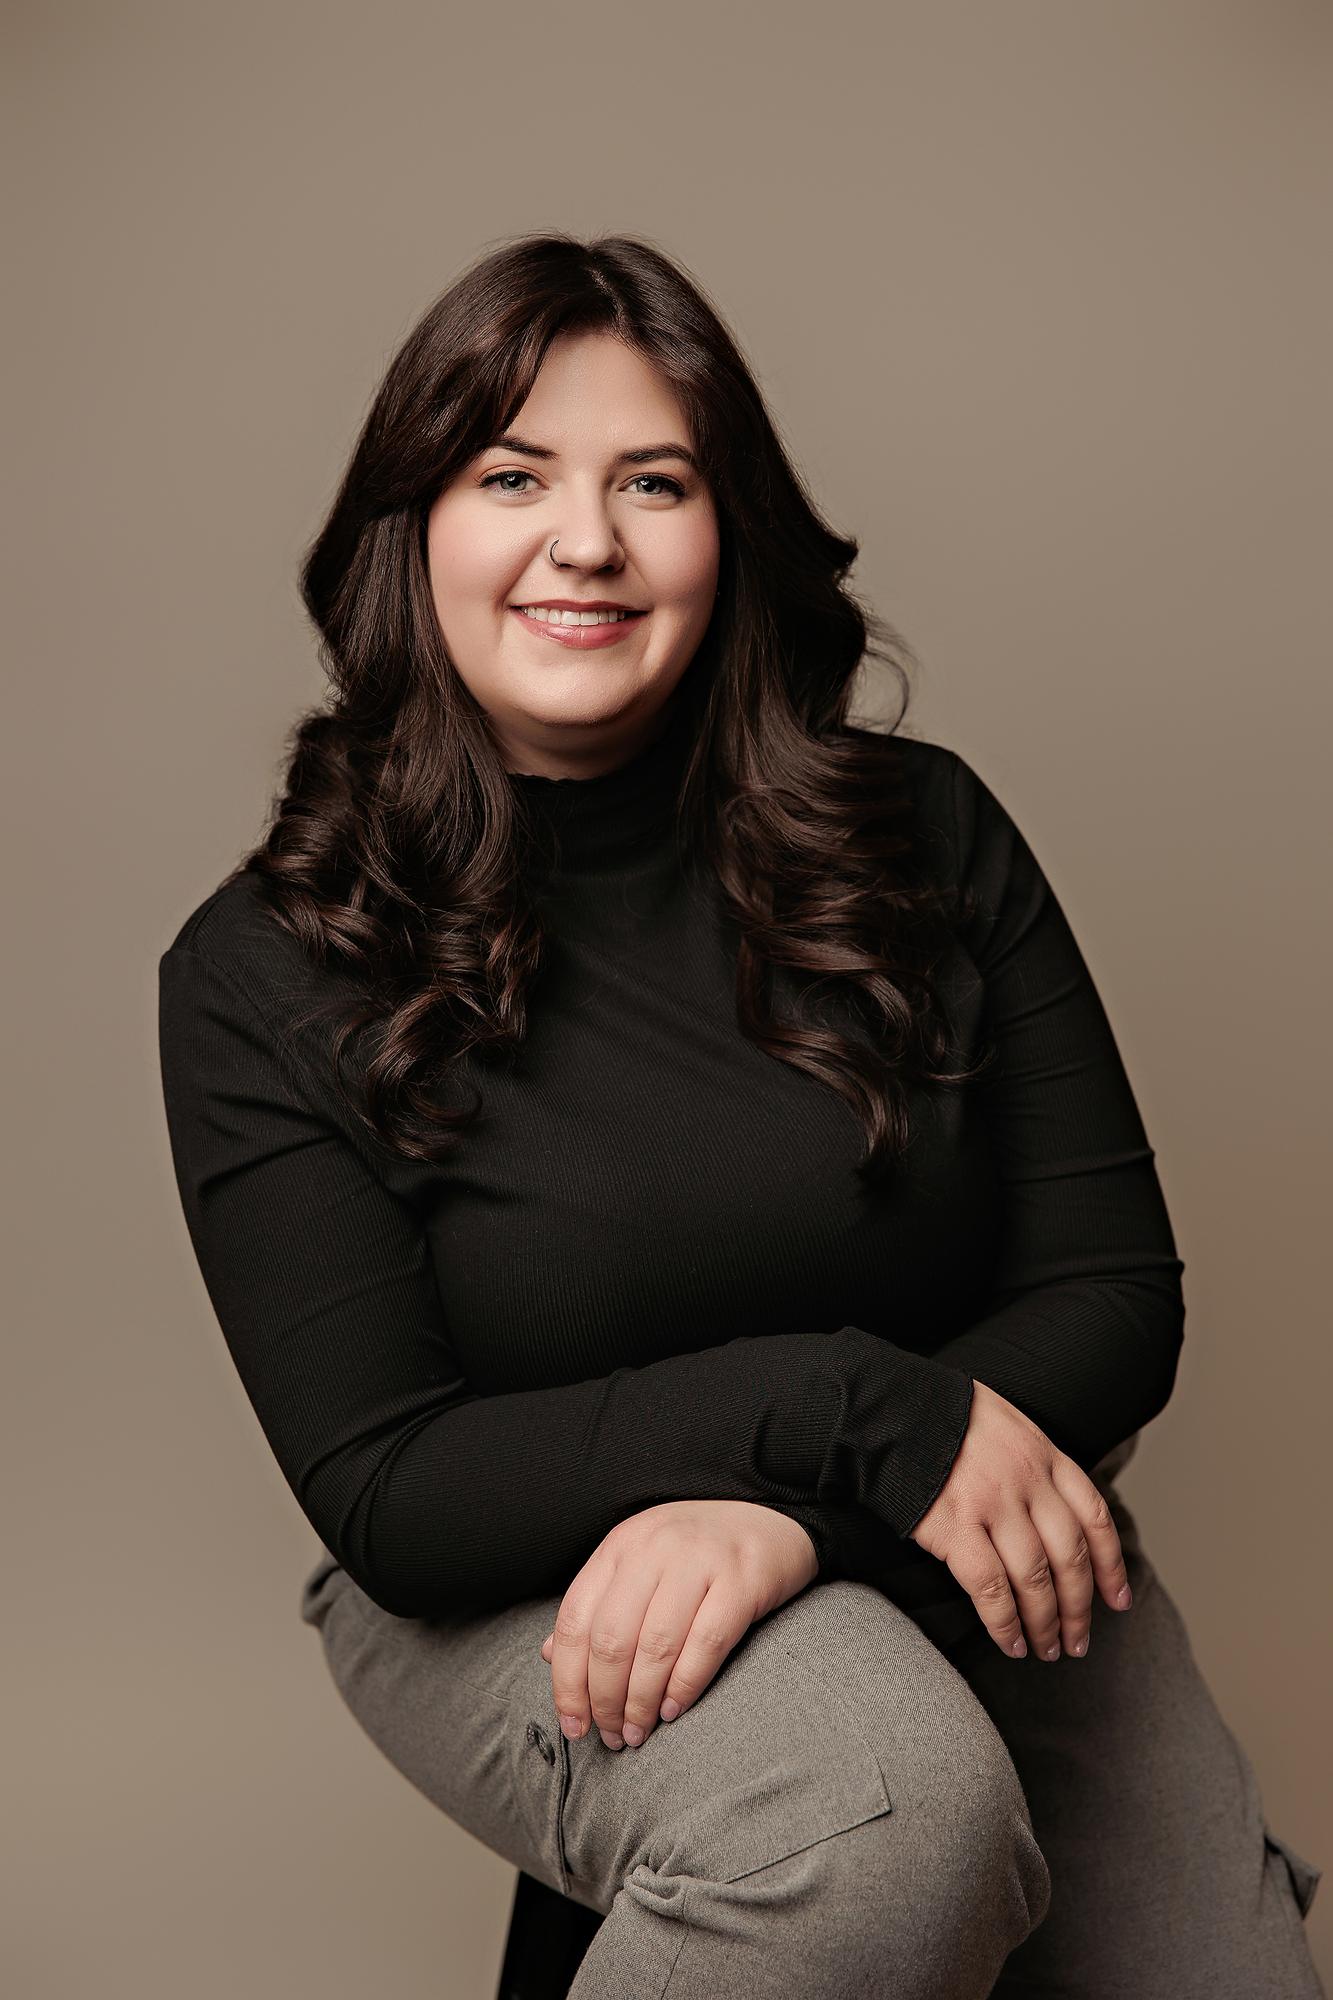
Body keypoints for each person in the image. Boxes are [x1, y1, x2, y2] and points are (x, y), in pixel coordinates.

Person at [157, 232, 1324, 1998]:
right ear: (414, 531)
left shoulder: (922, 834)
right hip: (506, 1569)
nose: (586, 542)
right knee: (864, 1821)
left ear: (729, 533)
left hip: (952, 1517)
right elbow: (395, 1488)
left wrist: (788, 1524)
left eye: (654, 481)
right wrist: (833, 1413)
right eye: (509, 476)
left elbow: (1112, 1295)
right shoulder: (262, 964)